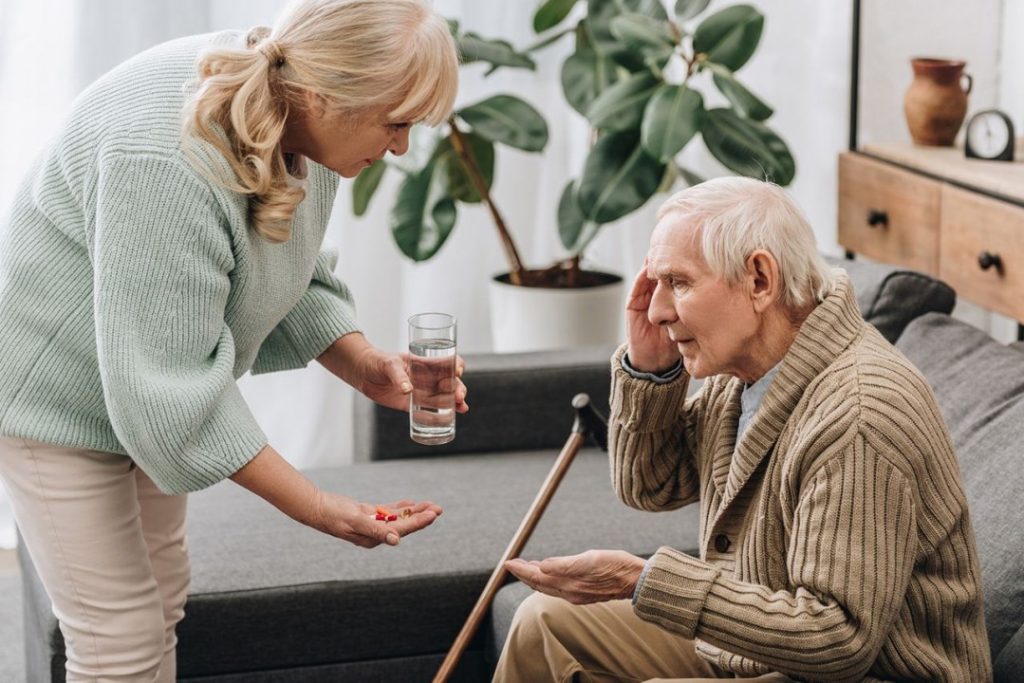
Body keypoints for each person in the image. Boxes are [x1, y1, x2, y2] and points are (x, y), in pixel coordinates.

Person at [0, 1, 464, 680]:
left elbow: (285, 263)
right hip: (53, 400)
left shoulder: (296, 114)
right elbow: (171, 395)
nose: (400, 148)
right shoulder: (169, 157)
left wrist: (365, 365)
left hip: (140, 372)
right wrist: (319, 506)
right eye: (395, 123)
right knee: (120, 637)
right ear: (324, 95)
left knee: (162, 598)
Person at [494, 177, 991, 682]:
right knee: (543, 623)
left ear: (758, 280)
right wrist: (650, 369)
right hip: (755, 654)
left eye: (679, 283)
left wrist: (641, 579)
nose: (658, 310)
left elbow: (837, 638)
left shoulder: (860, 415)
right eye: (656, 283)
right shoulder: (742, 373)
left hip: (864, 674)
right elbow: (651, 485)